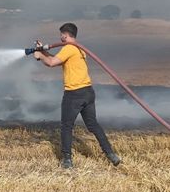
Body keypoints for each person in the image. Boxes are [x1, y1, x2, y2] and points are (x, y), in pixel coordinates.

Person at [33, 23, 121, 169]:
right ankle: (111, 154)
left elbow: (51, 63)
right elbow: (58, 60)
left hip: (74, 94)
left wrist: (39, 56)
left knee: (67, 126)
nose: (60, 37)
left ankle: (67, 160)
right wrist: (42, 52)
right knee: (93, 125)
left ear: (65, 35)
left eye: (61, 34)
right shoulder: (79, 49)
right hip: (88, 92)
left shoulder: (68, 48)